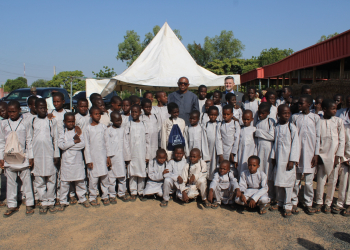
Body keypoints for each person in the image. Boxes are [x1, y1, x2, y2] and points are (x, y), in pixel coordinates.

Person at [0, 100, 35, 217]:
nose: (11, 114)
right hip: (9, 157)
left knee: (26, 181)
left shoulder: (25, 123)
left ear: (19, 110)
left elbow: (29, 140)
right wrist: (1, 158)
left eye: (14, 111)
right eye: (9, 112)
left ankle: (29, 203)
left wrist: (31, 156)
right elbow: (1, 142)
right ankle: (12, 205)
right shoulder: (4, 124)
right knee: (11, 183)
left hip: (23, 157)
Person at [291, 94, 320, 215]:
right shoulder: (294, 117)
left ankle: (308, 203)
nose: (299, 105)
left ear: (309, 104)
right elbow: (292, 137)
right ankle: (293, 202)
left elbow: (318, 137)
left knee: (308, 181)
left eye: (301, 103)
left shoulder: (315, 118)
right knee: (296, 179)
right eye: (298, 103)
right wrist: (293, 155)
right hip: (297, 153)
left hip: (310, 153)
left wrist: (316, 154)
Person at [315, 99, 345, 214]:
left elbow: (342, 139)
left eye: (336, 108)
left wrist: (338, 155)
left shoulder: (338, 121)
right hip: (322, 155)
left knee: (333, 180)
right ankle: (319, 201)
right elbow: (317, 138)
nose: (335, 110)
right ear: (325, 110)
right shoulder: (319, 120)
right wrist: (317, 155)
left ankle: (328, 203)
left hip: (334, 155)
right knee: (321, 180)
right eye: (332, 108)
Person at [270, 104, 299, 217]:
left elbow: (295, 145)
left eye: (288, 113)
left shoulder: (291, 127)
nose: (287, 115)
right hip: (279, 159)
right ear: (278, 115)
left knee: (288, 184)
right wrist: (273, 157)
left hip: (288, 161)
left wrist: (292, 160)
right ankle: (280, 202)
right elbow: (275, 144)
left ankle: (288, 205)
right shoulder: (277, 127)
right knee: (279, 182)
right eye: (284, 113)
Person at [31, 98, 60, 214]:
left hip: (49, 154)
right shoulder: (32, 121)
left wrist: (56, 154)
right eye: (41, 108)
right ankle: (43, 202)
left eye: (45, 108)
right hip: (37, 155)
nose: (43, 110)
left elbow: (56, 139)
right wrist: (30, 156)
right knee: (39, 180)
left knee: (51, 179)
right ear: (35, 108)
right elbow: (29, 139)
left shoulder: (51, 121)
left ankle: (51, 201)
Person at [58, 113, 89, 211]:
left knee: (80, 181)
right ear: (64, 122)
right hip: (67, 162)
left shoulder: (78, 131)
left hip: (77, 161)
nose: (71, 123)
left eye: (72, 121)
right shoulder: (62, 132)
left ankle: (82, 198)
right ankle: (63, 201)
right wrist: (74, 142)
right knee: (65, 183)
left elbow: (82, 145)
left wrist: (69, 146)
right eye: (68, 121)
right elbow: (61, 146)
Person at [84, 106, 111, 207]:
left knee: (104, 178)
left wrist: (108, 157)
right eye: (96, 114)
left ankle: (105, 196)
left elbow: (107, 143)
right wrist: (88, 160)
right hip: (93, 158)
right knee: (93, 179)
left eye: (99, 114)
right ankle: (92, 197)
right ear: (91, 115)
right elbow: (86, 145)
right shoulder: (87, 128)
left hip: (103, 157)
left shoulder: (103, 127)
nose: (98, 116)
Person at [124, 104, 150, 201]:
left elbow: (148, 141)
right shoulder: (128, 124)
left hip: (142, 153)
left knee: (141, 173)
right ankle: (133, 191)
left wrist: (147, 155)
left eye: (136, 112)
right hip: (132, 153)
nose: (134, 114)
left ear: (140, 113)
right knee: (132, 173)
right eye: (132, 112)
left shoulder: (144, 124)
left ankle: (141, 191)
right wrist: (127, 156)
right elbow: (126, 141)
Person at [106, 112, 129, 202]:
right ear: (112, 120)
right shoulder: (108, 130)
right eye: (117, 120)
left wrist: (127, 158)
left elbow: (126, 144)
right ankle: (112, 195)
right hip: (112, 158)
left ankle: (121, 193)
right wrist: (108, 157)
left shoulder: (123, 129)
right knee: (111, 178)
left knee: (122, 177)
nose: (119, 122)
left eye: (120, 120)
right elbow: (106, 144)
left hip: (121, 157)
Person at [255, 102, 275, 202]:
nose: (260, 115)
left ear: (268, 113)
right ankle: (260, 193)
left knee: (268, 171)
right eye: (259, 113)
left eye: (263, 113)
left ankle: (270, 194)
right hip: (259, 150)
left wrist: (258, 132)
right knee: (260, 171)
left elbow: (272, 136)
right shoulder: (258, 123)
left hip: (268, 150)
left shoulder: (270, 122)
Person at [333, 112, 350, 216]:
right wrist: (344, 158)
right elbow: (342, 141)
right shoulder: (345, 125)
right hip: (345, 159)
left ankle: (349, 204)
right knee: (343, 182)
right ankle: (340, 203)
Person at [216, 105, 240, 173]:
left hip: (232, 150)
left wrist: (233, 153)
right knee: (222, 169)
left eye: (228, 114)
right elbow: (218, 139)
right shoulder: (220, 124)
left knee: (232, 170)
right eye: (224, 114)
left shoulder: (235, 124)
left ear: (232, 114)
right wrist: (220, 154)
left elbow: (237, 138)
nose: (226, 116)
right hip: (223, 150)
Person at [236, 110, 256, 178]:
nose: (246, 121)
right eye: (244, 119)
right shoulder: (240, 129)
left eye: (248, 119)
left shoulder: (254, 130)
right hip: (241, 155)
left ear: (252, 119)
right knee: (241, 171)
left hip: (250, 154)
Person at [202, 106, 219, 181]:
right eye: (211, 115)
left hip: (217, 150)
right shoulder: (205, 125)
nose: (213, 116)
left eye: (215, 115)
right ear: (208, 115)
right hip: (209, 150)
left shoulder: (219, 124)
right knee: (209, 168)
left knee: (217, 166)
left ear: (217, 115)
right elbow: (204, 140)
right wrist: (206, 155)